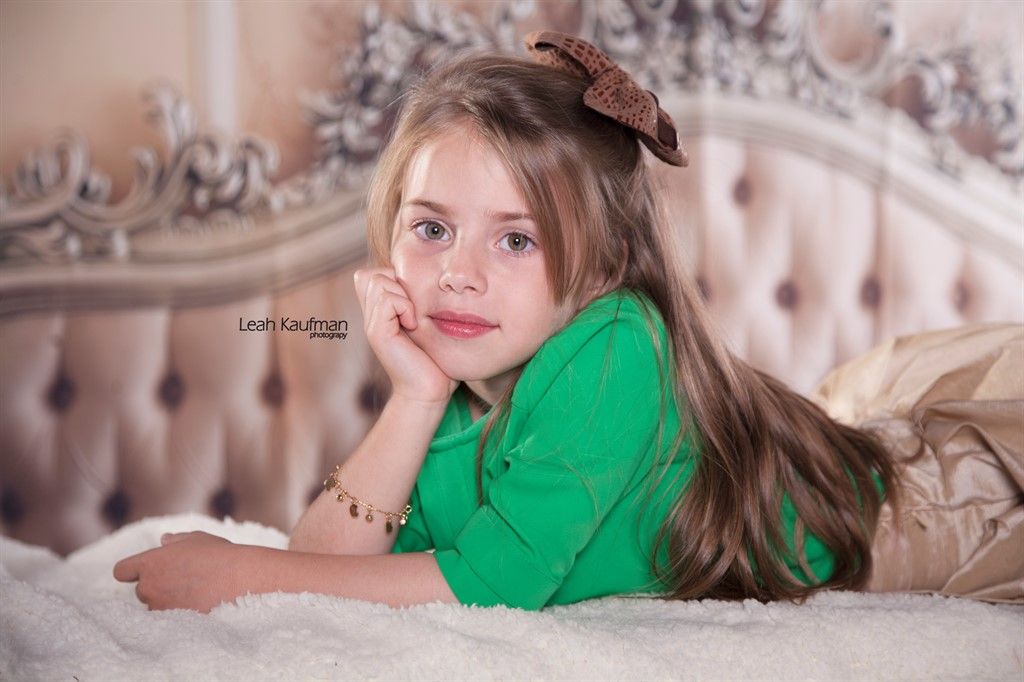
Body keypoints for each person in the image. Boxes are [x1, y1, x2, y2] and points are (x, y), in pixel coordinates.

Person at [113, 30, 1011, 614]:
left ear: (605, 263)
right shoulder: (452, 393)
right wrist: (413, 399)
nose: (458, 274)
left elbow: (495, 583)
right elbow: (326, 567)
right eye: (431, 229)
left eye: (517, 240)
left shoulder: (614, 345)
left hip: (922, 512)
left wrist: (242, 570)